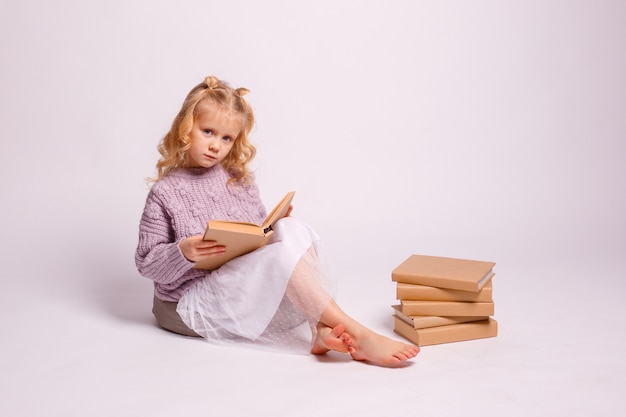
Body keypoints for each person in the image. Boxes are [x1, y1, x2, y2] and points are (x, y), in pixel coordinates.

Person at [135, 75, 420, 365]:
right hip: (188, 301)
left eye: (226, 138)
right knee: (281, 252)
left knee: (292, 228)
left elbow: (257, 241)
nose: (215, 146)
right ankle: (358, 333)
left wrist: (273, 227)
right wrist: (183, 253)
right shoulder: (165, 192)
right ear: (186, 127)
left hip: (234, 286)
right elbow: (147, 263)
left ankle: (319, 328)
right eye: (207, 131)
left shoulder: (238, 180)